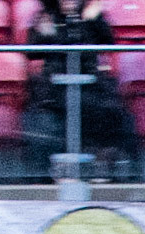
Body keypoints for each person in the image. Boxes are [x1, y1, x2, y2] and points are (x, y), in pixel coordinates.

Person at [25, 0, 136, 178]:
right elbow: (32, 52)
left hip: (91, 88)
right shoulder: (46, 18)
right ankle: (39, 178)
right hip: (55, 93)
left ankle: (119, 172)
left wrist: (93, 20)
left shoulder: (91, 17)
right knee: (40, 122)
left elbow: (108, 42)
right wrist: (45, 34)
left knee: (120, 116)